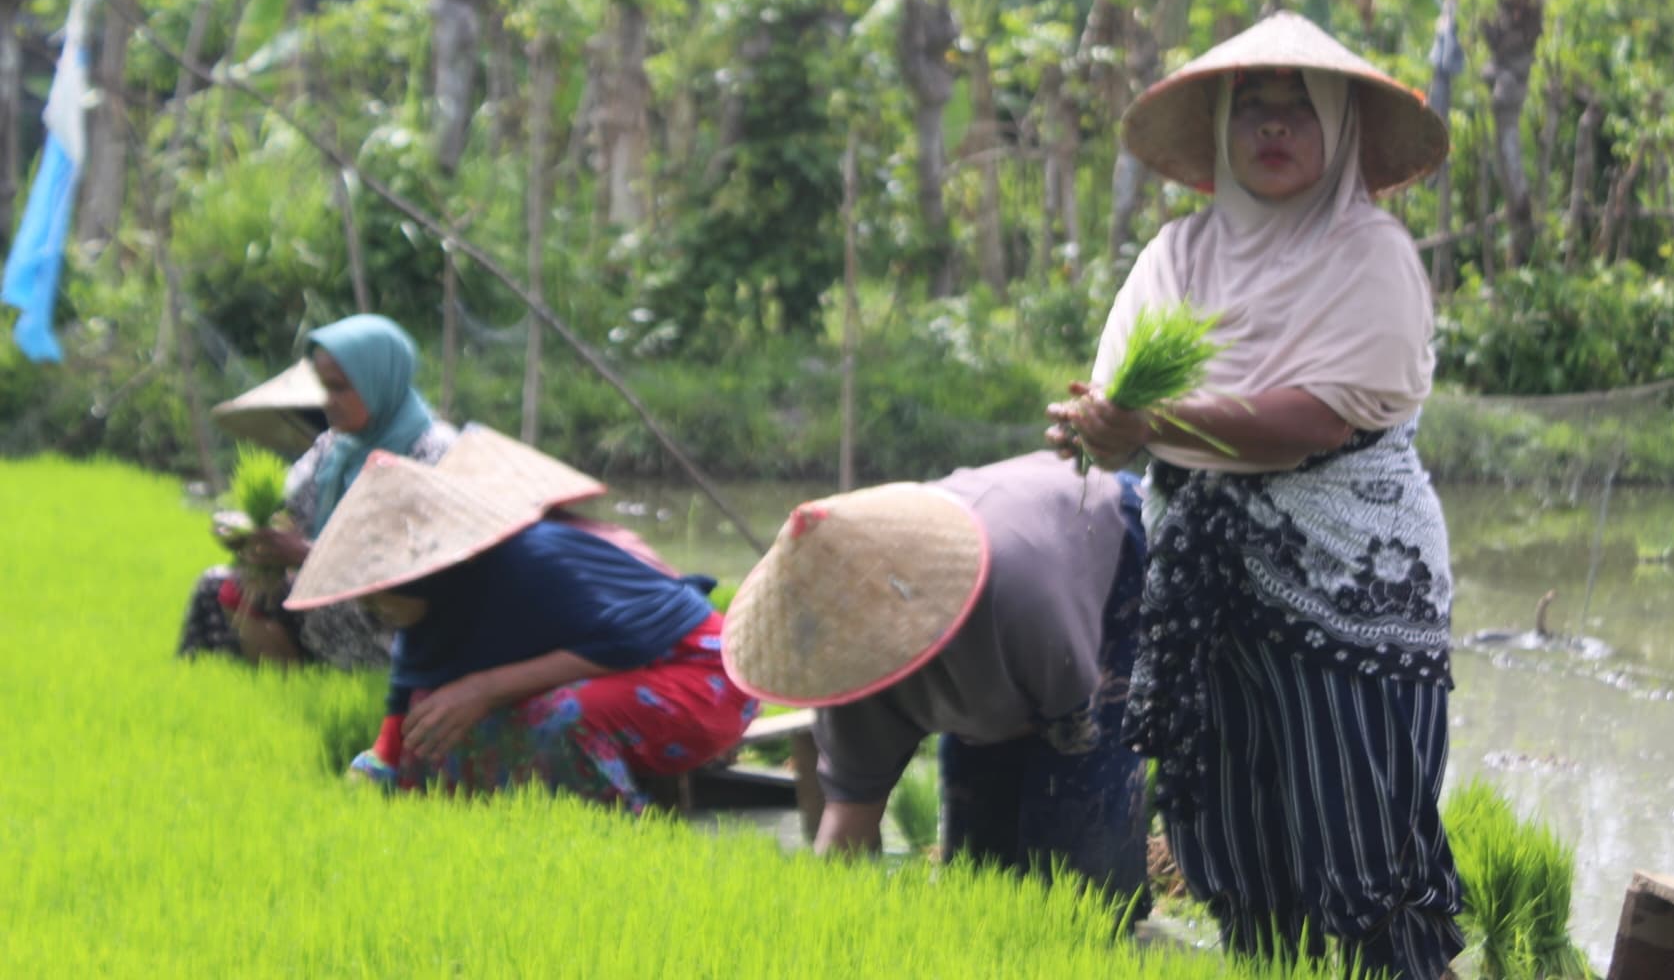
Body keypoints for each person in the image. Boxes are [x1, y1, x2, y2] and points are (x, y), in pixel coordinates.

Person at [1045, 12, 1464, 979]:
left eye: (1298, 113)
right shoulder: (1176, 260)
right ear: (1224, 133)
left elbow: (1317, 417)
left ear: (1340, 131)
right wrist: (1090, 427)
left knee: (1361, 850)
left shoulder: (1372, 255)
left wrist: (1147, 426)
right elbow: (1118, 400)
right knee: (1232, 847)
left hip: (1350, 592)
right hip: (1205, 593)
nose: (1273, 128)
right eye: (1253, 111)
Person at [720, 451, 1152, 921]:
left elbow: (1073, 724)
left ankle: (1104, 944)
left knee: (1081, 856)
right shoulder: (844, 673)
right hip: (1006, 601)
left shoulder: (1018, 599)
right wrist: (817, 925)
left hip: (1103, 545)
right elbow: (850, 814)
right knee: (979, 869)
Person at [284, 451, 756, 814]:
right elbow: (401, 732)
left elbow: (625, 644)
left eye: (379, 593)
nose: (371, 609)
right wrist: (362, 786)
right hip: (615, 676)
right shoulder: (433, 611)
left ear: (422, 575)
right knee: (440, 729)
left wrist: (484, 688)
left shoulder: (530, 564)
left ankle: (619, 834)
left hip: (702, 670)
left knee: (553, 719)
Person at [177, 314, 457, 668]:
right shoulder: (335, 445)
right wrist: (249, 530)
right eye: (321, 386)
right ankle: (241, 692)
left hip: (394, 611)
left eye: (338, 387)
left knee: (334, 608)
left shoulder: (432, 452)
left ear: (379, 381)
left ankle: (305, 679)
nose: (325, 400)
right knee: (217, 586)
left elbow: (421, 569)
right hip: (320, 591)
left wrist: (310, 556)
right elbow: (289, 505)